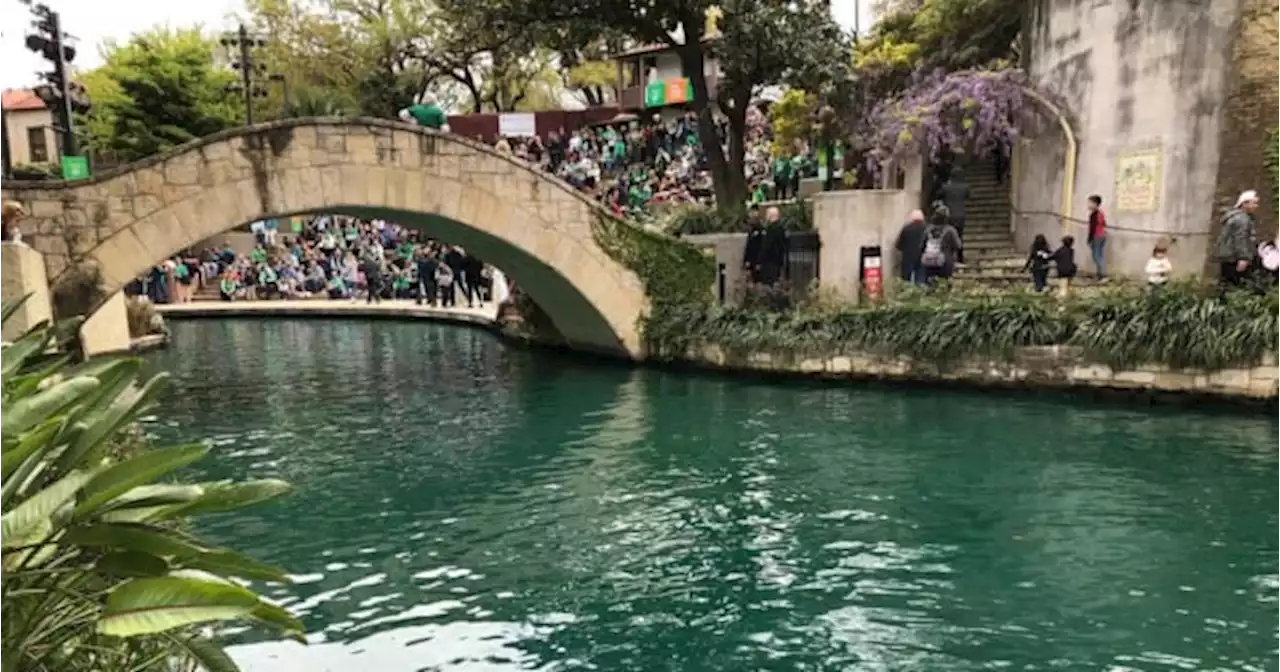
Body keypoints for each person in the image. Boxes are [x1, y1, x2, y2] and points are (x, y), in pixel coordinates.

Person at [1214, 190, 1260, 291]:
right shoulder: (1242, 220)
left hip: (1228, 257)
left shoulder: (1236, 217)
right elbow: (1240, 239)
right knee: (1237, 287)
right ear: (1245, 204)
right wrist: (1243, 258)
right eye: (1254, 203)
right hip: (1235, 259)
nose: (1256, 206)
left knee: (1226, 285)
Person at [936, 168, 971, 263]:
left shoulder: (946, 187)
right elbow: (969, 196)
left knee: (948, 235)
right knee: (959, 236)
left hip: (949, 215)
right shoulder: (965, 187)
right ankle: (960, 258)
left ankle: (949, 256)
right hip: (961, 215)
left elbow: (938, 194)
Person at [920, 209, 962, 284]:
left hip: (930, 262)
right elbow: (958, 245)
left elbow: (921, 246)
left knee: (930, 284)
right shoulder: (950, 230)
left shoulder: (928, 230)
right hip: (946, 262)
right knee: (945, 284)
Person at [757, 206, 789, 287]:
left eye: (767, 214)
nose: (766, 217)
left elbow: (766, 246)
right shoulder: (782, 229)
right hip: (778, 261)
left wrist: (760, 260)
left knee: (769, 284)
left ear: (770, 216)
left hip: (769, 262)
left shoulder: (771, 229)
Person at [895, 210, 928, 285]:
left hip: (907, 258)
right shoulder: (927, 228)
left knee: (906, 280)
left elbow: (899, 245)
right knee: (920, 280)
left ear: (912, 218)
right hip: (922, 258)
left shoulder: (906, 228)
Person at [1086, 194, 1107, 280]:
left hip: (1097, 236)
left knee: (1096, 256)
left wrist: (1089, 239)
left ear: (1095, 204)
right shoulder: (1100, 213)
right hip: (1101, 236)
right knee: (1099, 256)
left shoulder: (1094, 214)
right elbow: (1104, 223)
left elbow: (1093, 228)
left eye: (1090, 203)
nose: (1088, 205)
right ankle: (1099, 275)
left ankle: (1102, 275)